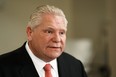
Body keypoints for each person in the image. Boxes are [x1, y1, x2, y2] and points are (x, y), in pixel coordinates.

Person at [0, 5, 87, 77]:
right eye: (49, 31)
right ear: (30, 33)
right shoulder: (3, 67)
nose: (57, 39)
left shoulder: (75, 66)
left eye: (61, 33)